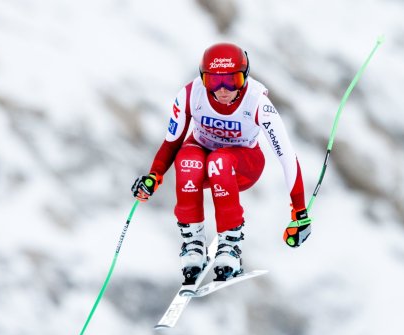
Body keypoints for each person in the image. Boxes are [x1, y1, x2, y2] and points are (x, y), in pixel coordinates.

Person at [131, 42, 311, 284]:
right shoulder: (190, 95)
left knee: (219, 161)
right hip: (202, 158)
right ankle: (193, 244)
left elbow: (286, 156)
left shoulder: (257, 102)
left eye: (232, 81)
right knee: (186, 160)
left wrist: (299, 211)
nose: (223, 90)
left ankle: (230, 246)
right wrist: (153, 177)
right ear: (203, 79)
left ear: (245, 78)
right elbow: (171, 143)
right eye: (214, 82)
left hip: (243, 164)